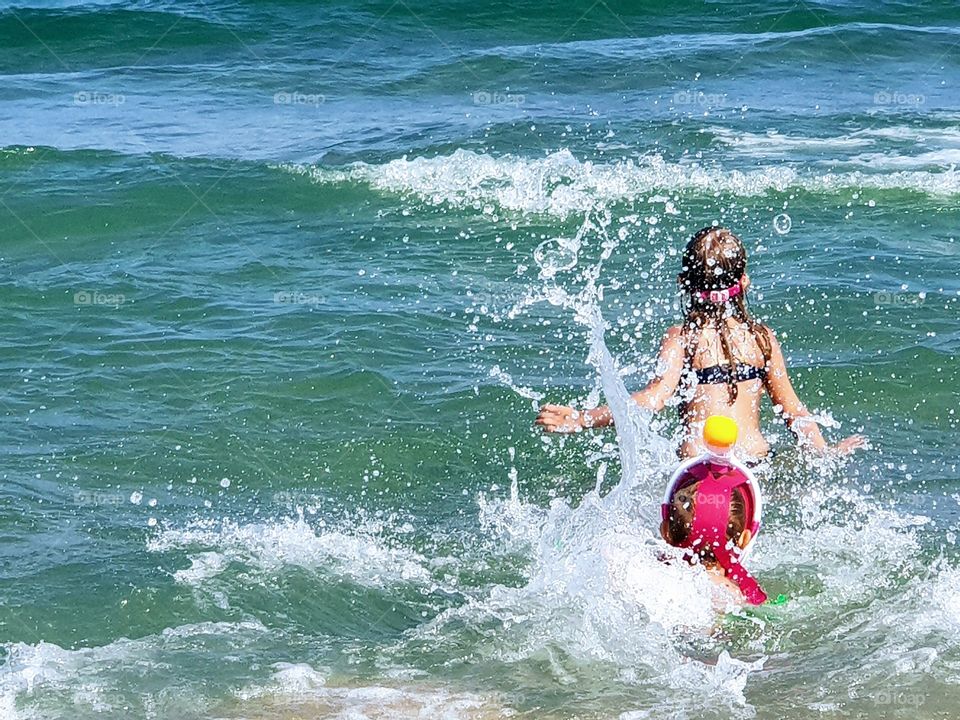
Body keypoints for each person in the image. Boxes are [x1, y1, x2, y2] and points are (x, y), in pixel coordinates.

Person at [535, 226, 866, 462]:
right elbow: (794, 412)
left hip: (697, 470)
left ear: (684, 283)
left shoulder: (682, 337)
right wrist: (825, 452)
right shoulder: (762, 338)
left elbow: (653, 399)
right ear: (744, 282)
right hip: (752, 467)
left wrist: (582, 418)